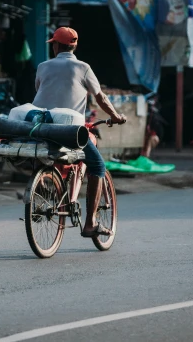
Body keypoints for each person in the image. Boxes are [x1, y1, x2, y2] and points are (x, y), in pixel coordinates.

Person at [33, 27, 127, 238]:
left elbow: (39, 90)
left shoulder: (42, 66)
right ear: (74, 46)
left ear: (56, 46)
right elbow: (100, 97)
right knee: (98, 165)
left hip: (40, 127)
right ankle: (91, 224)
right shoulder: (83, 67)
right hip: (70, 130)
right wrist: (116, 116)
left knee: (42, 156)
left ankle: (40, 193)